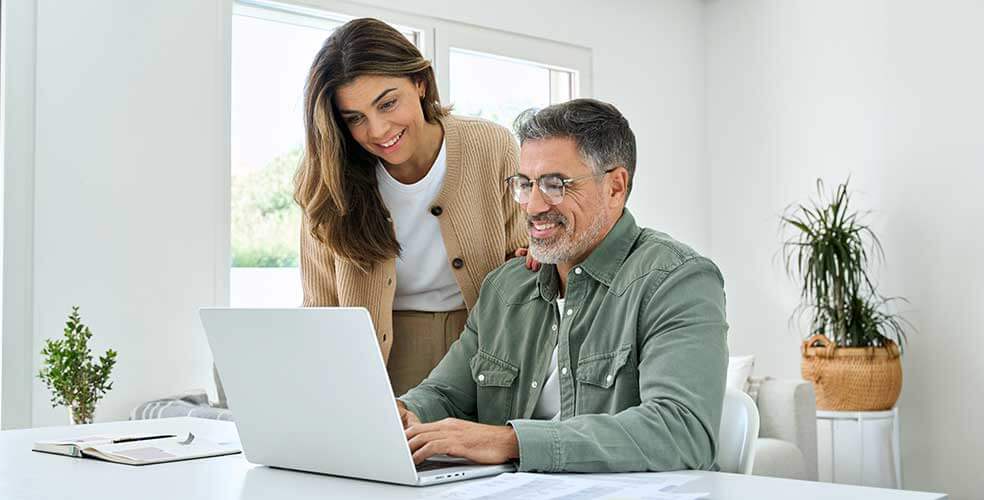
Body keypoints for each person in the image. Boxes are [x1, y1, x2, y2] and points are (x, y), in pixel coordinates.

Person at [397, 98, 730, 473]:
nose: (533, 206)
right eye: (524, 184)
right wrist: (403, 413)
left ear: (615, 187)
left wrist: (510, 442)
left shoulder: (677, 280)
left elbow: (682, 432)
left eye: (555, 185)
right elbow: (445, 394)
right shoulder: (505, 289)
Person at [294, 18, 528, 396]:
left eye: (387, 103)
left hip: (484, 350)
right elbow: (320, 304)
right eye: (355, 118)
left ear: (420, 83)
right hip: (379, 360)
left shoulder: (492, 145)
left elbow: (522, 263)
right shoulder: (327, 177)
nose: (378, 130)